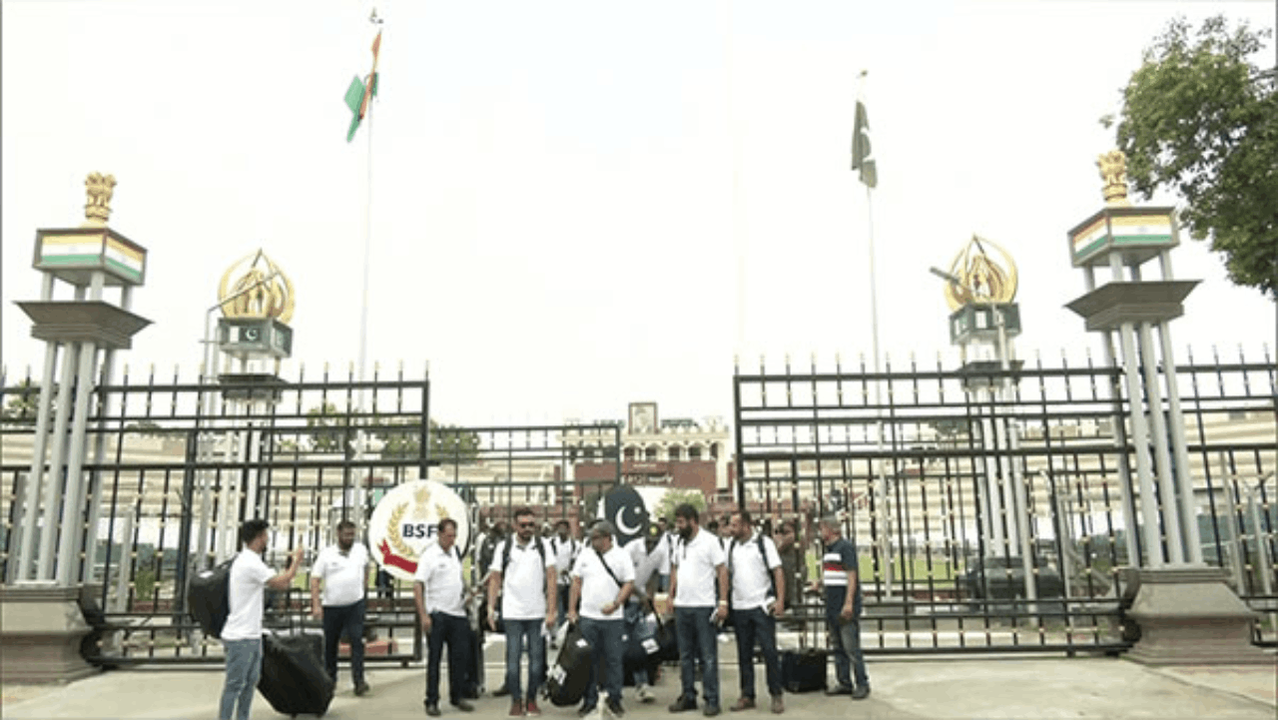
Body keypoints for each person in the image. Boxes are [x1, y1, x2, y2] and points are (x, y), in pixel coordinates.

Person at [220, 519, 303, 720]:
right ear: (258, 538)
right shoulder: (249, 562)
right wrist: (297, 561)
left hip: (251, 633)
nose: (268, 539)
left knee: (250, 682)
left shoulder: (249, 560)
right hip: (241, 635)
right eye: (265, 535)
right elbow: (281, 583)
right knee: (235, 684)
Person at [487, 507, 557, 717]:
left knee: (537, 663)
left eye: (531, 525)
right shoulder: (504, 547)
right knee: (513, 662)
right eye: (523, 525)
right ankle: (516, 700)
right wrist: (491, 608)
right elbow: (495, 578)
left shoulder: (544, 546)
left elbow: (552, 578)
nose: (528, 529)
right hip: (512, 613)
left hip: (536, 613)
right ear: (515, 526)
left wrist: (551, 610)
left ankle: (532, 700)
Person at [568, 520, 635, 718]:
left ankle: (614, 699)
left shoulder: (622, 555)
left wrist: (616, 603)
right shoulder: (586, 554)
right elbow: (576, 582)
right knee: (589, 660)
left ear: (608, 538)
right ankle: (589, 700)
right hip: (588, 616)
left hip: (613, 618)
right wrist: (572, 609)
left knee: (614, 660)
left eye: (596, 537)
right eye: (591, 537)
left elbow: (628, 583)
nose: (592, 540)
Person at [667, 504, 728, 717]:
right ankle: (688, 696)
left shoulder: (710, 542)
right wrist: (671, 594)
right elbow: (675, 568)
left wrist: (722, 602)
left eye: (681, 522)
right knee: (685, 656)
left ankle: (712, 699)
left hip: (703, 606)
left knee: (707, 656)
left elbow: (722, 571)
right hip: (682, 606)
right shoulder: (677, 542)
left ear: (693, 521)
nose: (678, 526)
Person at [414, 518, 476, 716]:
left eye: (454, 535)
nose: (452, 539)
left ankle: (457, 696)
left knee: (459, 659)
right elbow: (418, 585)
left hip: (457, 613)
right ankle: (431, 700)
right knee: (434, 660)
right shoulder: (430, 555)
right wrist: (423, 614)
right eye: (448, 536)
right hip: (438, 614)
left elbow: (459, 579)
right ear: (440, 534)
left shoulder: (455, 553)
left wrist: (467, 594)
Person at [726, 510, 785, 714]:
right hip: (740, 606)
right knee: (744, 654)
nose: (731, 529)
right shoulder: (731, 545)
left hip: (761, 606)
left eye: (735, 525)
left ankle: (776, 694)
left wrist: (780, 600)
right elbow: (725, 572)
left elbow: (778, 571)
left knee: (769, 651)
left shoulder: (764, 543)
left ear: (746, 525)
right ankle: (747, 694)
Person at [309, 520, 371, 697]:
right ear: (338, 534)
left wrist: (363, 588)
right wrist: (316, 604)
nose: (349, 538)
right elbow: (315, 579)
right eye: (346, 535)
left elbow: (366, 567)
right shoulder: (327, 554)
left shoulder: (360, 550)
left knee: (357, 641)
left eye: (352, 535)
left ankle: (358, 680)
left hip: (355, 604)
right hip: (332, 606)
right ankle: (330, 679)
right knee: (331, 645)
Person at [812, 515, 870, 700]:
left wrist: (849, 602)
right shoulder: (829, 550)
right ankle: (844, 681)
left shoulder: (845, 547)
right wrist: (820, 583)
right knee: (837, 646)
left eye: (823, 529)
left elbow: (851, 575)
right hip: (832, 603)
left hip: (843, 604)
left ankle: (862, 683)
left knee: (851, 647)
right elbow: (832, 571)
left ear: (832, 530)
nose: (821, 533)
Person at [622, 527, 659, 704]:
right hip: (622, 600)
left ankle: (642, 685)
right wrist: (641, 595)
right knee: (616, 645)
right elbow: (624, 578)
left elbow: (654, 575)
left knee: (640, 645)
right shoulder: (631, 549)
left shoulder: (660, 551)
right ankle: (608, 689)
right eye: (648, 541)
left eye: (655, 541)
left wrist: (649, 598)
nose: (651, 545)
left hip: (639, 604)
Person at [549, 520, 580, 634]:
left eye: (563, 528)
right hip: (555, 582)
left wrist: (568, 571)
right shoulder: (551, 543)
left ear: (568, 530)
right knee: (557, 609)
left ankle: (566, 632)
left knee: (569, 608)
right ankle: (555, 633)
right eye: (559, 528)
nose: (561, 531)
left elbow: (575, 560)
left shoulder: (574, 545)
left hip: (568, 581)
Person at [772, 520, 804, 613]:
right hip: (785, 568)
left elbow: (782, 546)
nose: (782, 535)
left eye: (786, 532)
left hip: (795, 568)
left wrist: (782, 541)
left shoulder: (797, 540)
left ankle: (798, 616)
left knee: (795, 592)